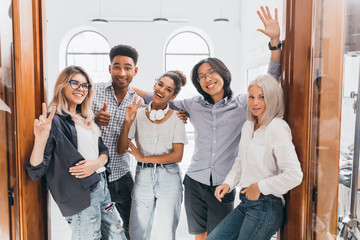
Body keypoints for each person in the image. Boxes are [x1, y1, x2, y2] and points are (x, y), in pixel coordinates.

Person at [133, 6, 282, 240]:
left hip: (224, 184)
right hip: (194, 181)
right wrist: (126, 85)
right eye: (201, 77)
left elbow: (271, 81)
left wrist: (274, 43)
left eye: (211, 72)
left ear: (223, 73)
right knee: (200, 235)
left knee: (219, 235)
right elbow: (160, 99)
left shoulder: (243, 103)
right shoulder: (193, 105)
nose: (207, 79)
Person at [25, 66, 126, 240]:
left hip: (101, 186)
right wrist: (40, 139)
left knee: (118, 234)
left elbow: (103, 150)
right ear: (62, 86)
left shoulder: (86, 117)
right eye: (75, 83)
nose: (81, 89)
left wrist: (97, 163)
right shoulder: (55, 121)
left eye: (85, 85)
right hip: (82, 194)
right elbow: (36, 170)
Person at [206, 74, 303, 240]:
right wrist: (228, 183)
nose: (255, 102)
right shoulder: (248, 125)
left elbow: (294, 175)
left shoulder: (277, 128)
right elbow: (240, 161)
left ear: (272, 99)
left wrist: (259, 187)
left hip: (267, 205)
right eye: (251, 97)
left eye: (262, 97)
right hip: (246, 203)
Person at [118, 70, 188, 240]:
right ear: (155, 85)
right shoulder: (138, 114)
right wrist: (127, 122)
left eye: (169, 89)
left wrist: (143, 158)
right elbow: (121, 149)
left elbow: (177, 156)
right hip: (143, 178)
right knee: (137, 233)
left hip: (169, 178)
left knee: (166, 233)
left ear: (173, 97)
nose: (162, 90)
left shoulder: (177, 118)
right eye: (160, 84)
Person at [92, 44, 144, 239]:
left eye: (127, 67)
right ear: (109, 68)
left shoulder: (139, 102)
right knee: (99, 228)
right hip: (96, 176)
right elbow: (74, 123)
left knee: (134, 225)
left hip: (122, 175)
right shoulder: (93, 92)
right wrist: (94, 119)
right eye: (117, 66)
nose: (122, 72)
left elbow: (125, 147)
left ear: (135, 71)